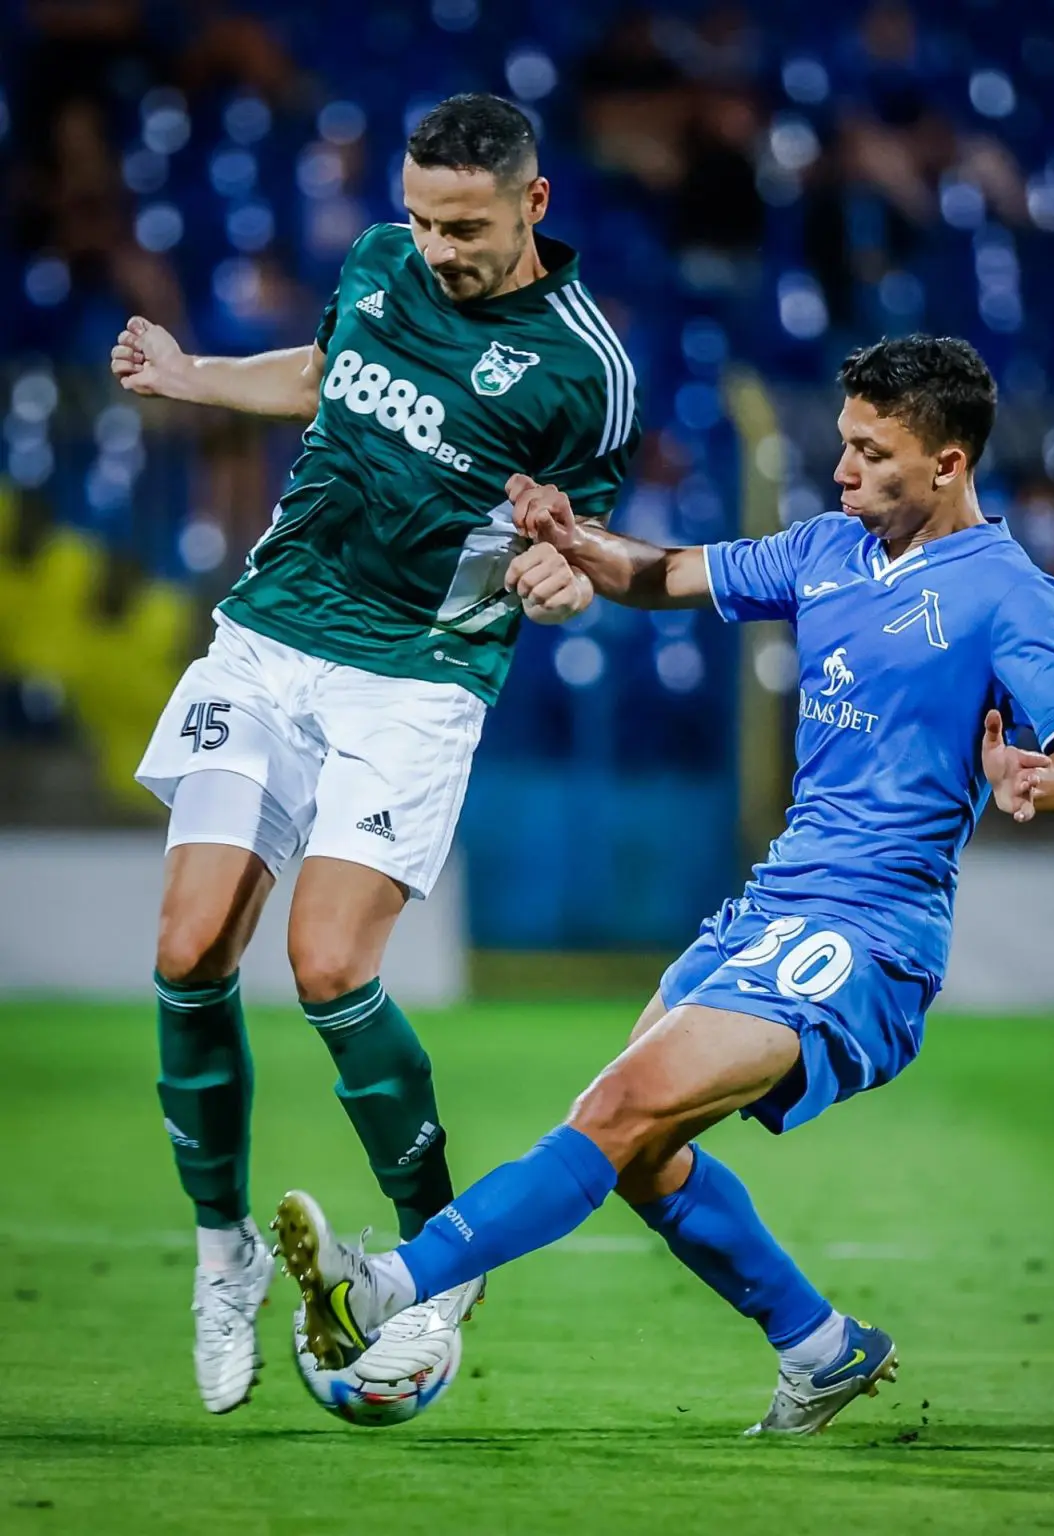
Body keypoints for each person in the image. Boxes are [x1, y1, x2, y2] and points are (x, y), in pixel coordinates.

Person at [271, 334, 1054, 1434]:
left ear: (948, 463)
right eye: (842, 445)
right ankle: (818, 1347)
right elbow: (664, 574)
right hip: (769, 909)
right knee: (643, 1154)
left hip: (867, 937)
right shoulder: (825, 549)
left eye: (871, 454)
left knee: (615, 1110)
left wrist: (1036, 777)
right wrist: (570, 536)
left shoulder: (1007, 593)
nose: (841, 471)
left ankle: (390, 1286)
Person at [109, 93, 639, 1414]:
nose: (434, 249)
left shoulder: (586, 371)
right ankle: (222, 1251)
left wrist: (562, 580)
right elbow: (322, 371)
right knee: (188, 946)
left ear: (533, 204)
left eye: (462, 228)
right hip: (272, 636)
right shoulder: (378, 263)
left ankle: (437, 1258)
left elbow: (581, 548)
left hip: (415, 678)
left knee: (329, 965)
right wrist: (193, 376)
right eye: (417, 220)